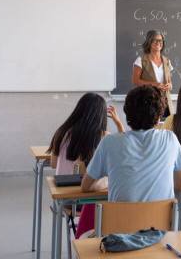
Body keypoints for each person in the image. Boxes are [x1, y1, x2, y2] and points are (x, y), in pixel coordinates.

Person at [81, 85, 181, 259]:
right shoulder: (170, 139)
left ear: (127, 114)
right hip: (160, 233)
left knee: (85, 242)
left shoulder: (110, 144)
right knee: (151, 243)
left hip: (116, 234)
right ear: (159, 116)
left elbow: (87, 185)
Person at [48, 93, 124, 238]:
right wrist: (119, 124)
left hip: (67, 200)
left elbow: (53, 163)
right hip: (94, 202)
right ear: (101, 116)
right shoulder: (104, 136)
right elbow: (124, 150)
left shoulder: (62, 132)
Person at [132, 30, 174, 117]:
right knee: (150, 127)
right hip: (147, 101)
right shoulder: (141, 60)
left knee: (164, 128)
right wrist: (154, 84)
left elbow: (170, 83)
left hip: (165, 103)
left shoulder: (167, 61)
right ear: (149, 41)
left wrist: (169, 85)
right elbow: (135, 81)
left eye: (160, 40)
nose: (158, 42)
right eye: (155, 40)